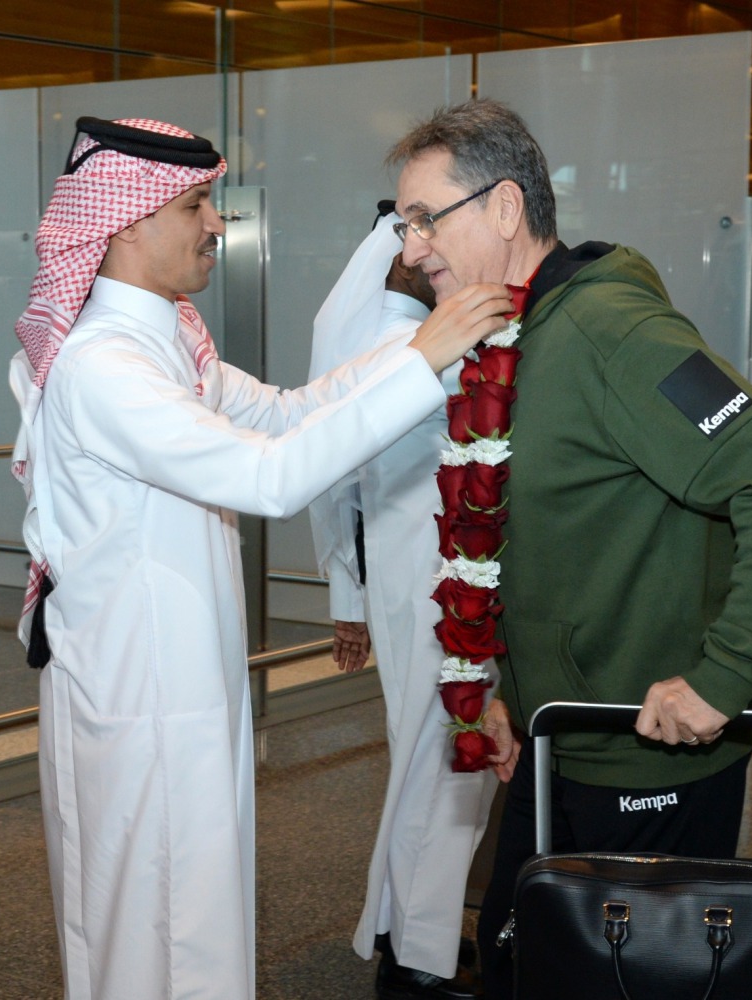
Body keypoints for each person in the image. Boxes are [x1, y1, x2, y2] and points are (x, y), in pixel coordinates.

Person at [7, 116, 513, 1000]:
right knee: (142, 930)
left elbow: (285, 411)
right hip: (135, 697)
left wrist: (423, 352)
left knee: (195, 917)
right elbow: (269, 475)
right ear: (128, 221)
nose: (216, 223)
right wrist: (424, 356)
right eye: (198, 203)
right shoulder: (103, 364)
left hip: (186, 688)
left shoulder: (166, 339)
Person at [385, 98, 752, 999]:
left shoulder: (612, 332)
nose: (409, 249)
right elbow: (536, 533)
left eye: (424, 219)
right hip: (564, 740)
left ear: (505, 209)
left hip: (646, 752)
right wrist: (500, 692)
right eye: (405, 226)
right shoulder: (509, 337)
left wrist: (725, 673)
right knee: (529, 959)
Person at [308, 209, 497, 1000]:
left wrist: (346, 596)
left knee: (427, 756)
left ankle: (401, 927)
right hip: (431, 581)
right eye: (420, 242)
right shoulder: (406, 349)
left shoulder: (403, 336)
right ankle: (418, 956)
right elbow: (330, 481)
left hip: (415, 577)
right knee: (448, 759)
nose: (435, 253)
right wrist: (345, 597)